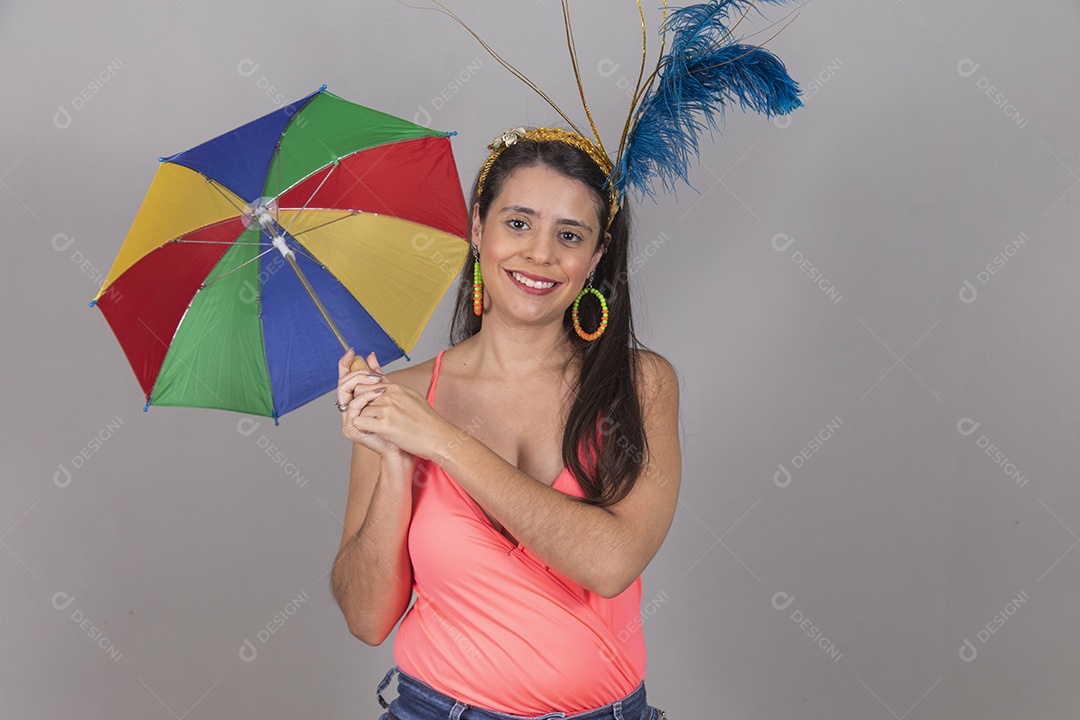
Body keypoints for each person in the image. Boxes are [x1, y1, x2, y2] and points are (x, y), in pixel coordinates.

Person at [330, 129, 682, 720]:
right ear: (477, 227)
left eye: (569, 235)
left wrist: (442, 441)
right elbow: (367, 619)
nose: (540, 254)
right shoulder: (402, 399)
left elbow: (610, 563)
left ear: (597, 255)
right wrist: (395, 462)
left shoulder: (641, 384)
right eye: (518, 223)